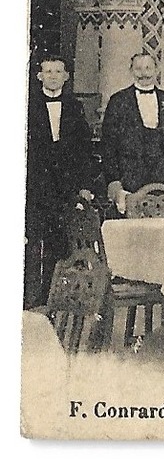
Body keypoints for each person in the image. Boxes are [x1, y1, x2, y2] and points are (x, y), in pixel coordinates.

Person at [24, 55, 100, 307]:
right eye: (48, 71)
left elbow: (84, 150)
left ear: (66, 76)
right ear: (39, 76)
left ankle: (54, 299)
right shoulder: (27, 105)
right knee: (32, 243)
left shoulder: (75, 107)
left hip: (65, 188)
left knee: (61, 244)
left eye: (58, 71)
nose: (54, 76)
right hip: (35, 186)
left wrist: (85, 186)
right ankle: (29, 300)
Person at [101, 52, 164, 205]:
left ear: (157, 70)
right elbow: (108, 145)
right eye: (138, 69)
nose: (144, 74)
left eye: (148, 68)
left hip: (163, 179)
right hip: (130, 178)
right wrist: (113, 180)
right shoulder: (118, 100)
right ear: (131, 71)